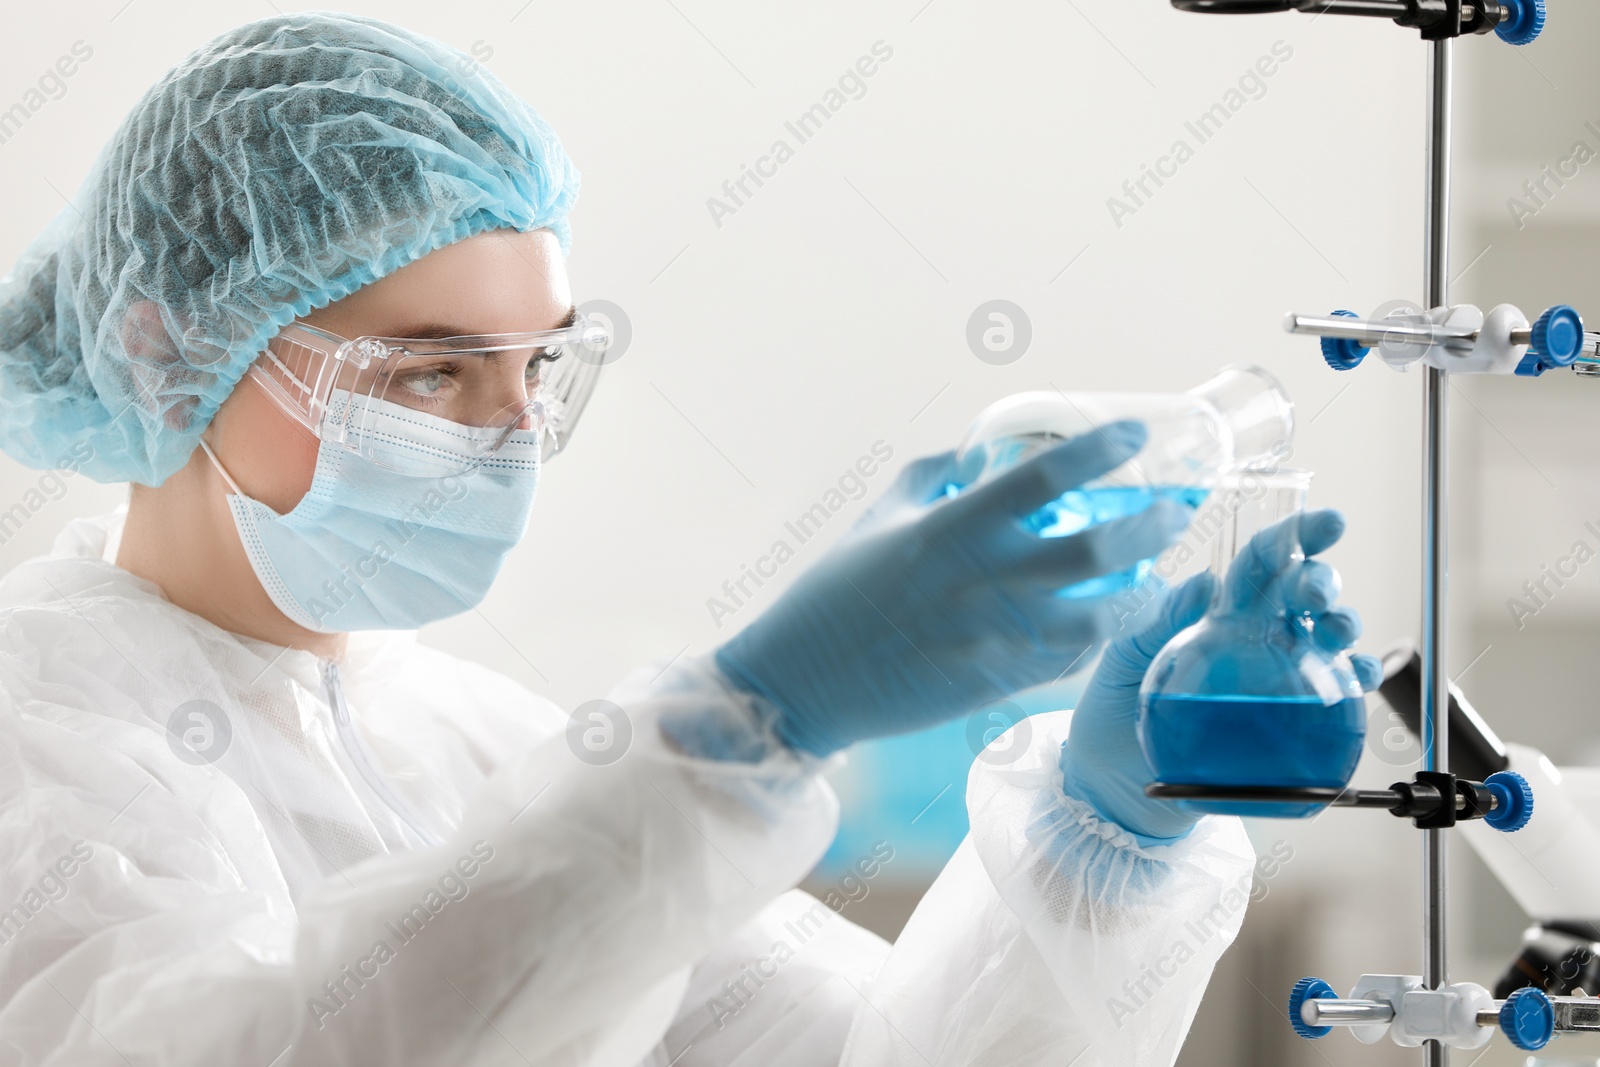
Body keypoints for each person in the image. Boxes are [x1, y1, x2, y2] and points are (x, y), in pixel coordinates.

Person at [0, 14, 1379, 1066]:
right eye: (430, 375)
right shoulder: (37, 733)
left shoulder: (488, 744)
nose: (510, 435)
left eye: (539, 368)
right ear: (163, 350)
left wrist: (1104, 839)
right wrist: (764, 712)